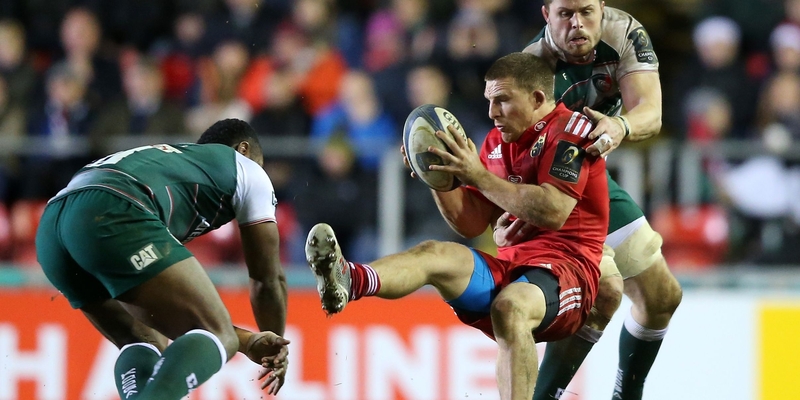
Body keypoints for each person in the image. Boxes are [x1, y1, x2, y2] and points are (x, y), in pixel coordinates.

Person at [305, 52, 618, 400]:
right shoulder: (495, 144)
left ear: (537, 98)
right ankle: (348, 280)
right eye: (489, 101)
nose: (492, 112)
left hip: (567, 275)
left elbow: (553, 210)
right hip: (514, 270)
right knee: (434, 253)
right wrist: (441, 179)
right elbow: (469, 223)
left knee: (509, 308)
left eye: (502, 100)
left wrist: (477, 175)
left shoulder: (571, 131)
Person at [35, 119, 290, 399]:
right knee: (218, 334)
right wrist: (276, 344)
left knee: (143, 339)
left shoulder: (173, 162)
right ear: (244, 150)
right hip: (112, 208)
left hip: (52, 229)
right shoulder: (245, 168)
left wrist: (251, 341)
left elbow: (178, 320)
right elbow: (267, 280)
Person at [514, 1, 684, 399]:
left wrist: (620, 125)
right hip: (551, 189)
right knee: (602, 294)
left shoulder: (625, 33)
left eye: (587, 11)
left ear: (602, 8)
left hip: (594, 178)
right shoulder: (530, 68)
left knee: (661, 297)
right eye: (565, 13)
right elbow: (517, 157)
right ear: (546, 15)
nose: (578, 23)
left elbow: (651, 112)